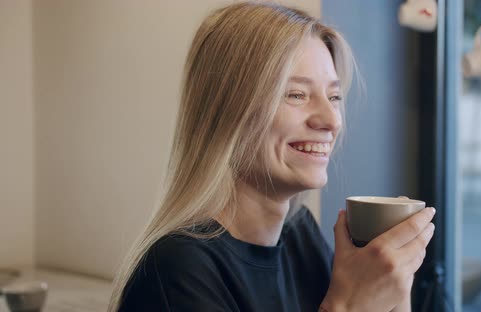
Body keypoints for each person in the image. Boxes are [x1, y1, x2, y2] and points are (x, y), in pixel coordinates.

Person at [109, 2, 435, 311]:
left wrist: (394, 286)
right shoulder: (176, 270)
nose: (331, 120)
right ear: (227, 111)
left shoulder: (298, 234)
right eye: (296, 94)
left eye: (334, 96)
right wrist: (348, 305)